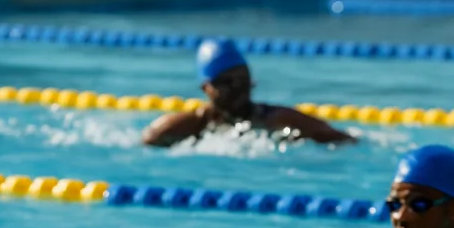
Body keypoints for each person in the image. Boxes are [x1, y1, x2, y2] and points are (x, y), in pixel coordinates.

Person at [141, 39, 354, 147]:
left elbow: (343, 140)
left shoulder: (280, 119)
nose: (237, 88)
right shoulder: (188, 125)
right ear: (206, 88)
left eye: (242, 80)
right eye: (227, 82)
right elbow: (147, 143)